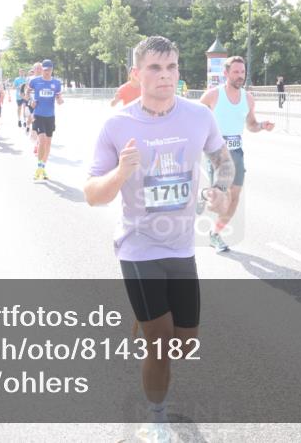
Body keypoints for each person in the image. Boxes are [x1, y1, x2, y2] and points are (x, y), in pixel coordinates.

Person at [84, 35, 234, 442]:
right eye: (154, 68)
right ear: (136, 74)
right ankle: (156, 417)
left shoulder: (198, 116)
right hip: (138, 247)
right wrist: (120, 173)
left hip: (182, 247)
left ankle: (144, 317)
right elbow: (92, 194)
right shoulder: (118, 125)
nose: (165, 76)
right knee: (162, 344)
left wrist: (221, 189)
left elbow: (223, 159)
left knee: (186, 343)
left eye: (171, 68)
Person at [198, 55, 275, 252]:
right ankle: (207, 195)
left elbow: (251, 125)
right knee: (219, 199)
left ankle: (215, 234)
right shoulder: (213, 95)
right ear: (226, 73)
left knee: (234, 197)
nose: (240, 75)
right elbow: (195, 120)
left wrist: (261, 126)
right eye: (236, 72)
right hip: (216, 152)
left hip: (236, 151)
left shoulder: (248, 98)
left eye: (243, 72)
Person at [27, 59, 63, 180]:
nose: (47, 72)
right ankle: (39, 168)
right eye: (45, 70)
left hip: (50, 116)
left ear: (52, 69)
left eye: (49, 70)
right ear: (42, 69)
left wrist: (60, 100)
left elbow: (59, 98)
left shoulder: (56, 83)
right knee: (42, 141)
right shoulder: (35, 81)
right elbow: (27, 93)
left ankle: (42, 168)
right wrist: (30, 101)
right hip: (38, 115)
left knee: (48, 143)